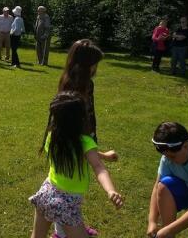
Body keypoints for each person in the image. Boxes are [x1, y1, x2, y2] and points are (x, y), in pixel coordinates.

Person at [29, 92, 124, 238]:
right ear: (79, 119)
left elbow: (75, 154)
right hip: (67, 205)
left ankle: (60, 234)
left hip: (46, 193)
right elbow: (98, 167)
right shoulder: (85, 142)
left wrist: (104, 156)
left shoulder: (53, 137)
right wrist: (110, 190)